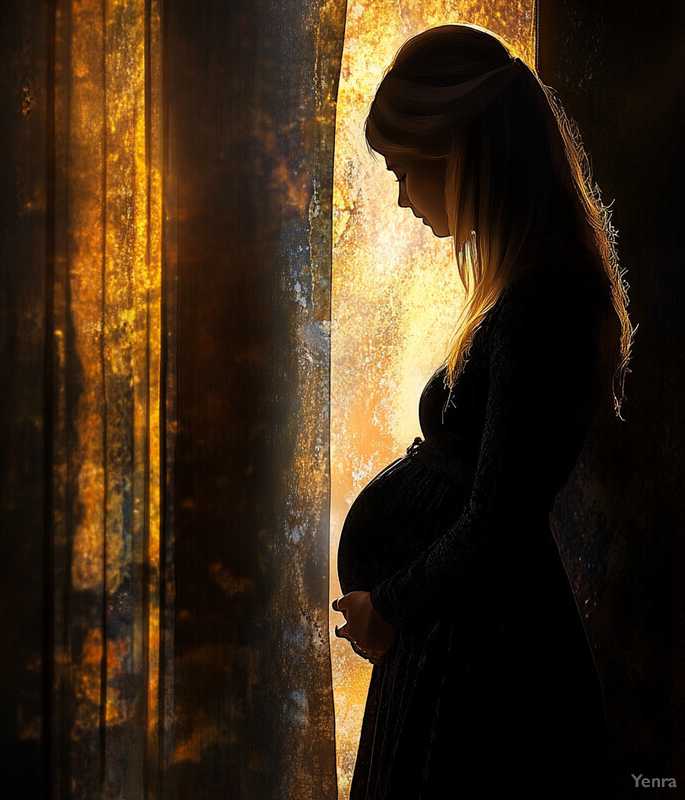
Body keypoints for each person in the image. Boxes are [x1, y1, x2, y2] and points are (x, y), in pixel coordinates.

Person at [333, 23, 634, 800]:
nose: (400, 197)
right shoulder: (525, 290)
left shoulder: (544, 300)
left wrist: (387, 609)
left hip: (484, 673)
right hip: (454, 655)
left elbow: (497, 521)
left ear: (459, 153)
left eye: (404, 170)